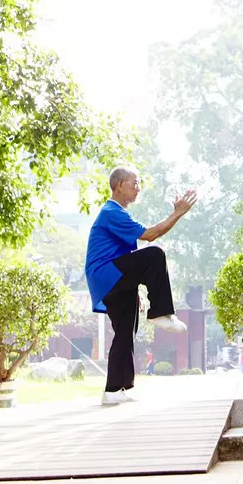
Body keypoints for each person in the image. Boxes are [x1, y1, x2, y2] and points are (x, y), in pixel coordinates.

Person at [86, 166, 198, 405]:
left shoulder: (118, 213)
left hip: (114, 279)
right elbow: (150, 235)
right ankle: (160, 314)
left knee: (125, 332)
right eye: (134, 183)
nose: (138, 188)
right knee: (155, 255)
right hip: (107, 274)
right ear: (119, 186)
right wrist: (177, 213)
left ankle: (114, 390)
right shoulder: (111, 211)